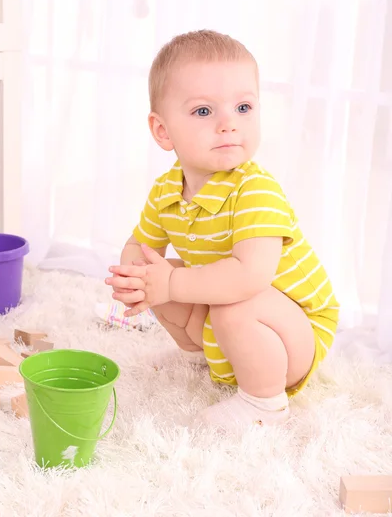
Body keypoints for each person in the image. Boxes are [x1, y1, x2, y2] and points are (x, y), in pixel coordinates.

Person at [105, 30, 339, 430]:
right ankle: (204, 358)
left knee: (228, 299)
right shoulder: (166, 190)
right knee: (157, 271)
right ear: (163, 131)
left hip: (292, 335)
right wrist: (135, 277)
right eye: (203, 112)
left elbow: (251, 276)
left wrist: (173, 284)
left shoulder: (255, 189)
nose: (229, 124)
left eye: (244, 107)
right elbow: (139, 245)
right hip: (230, 317)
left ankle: (265, 405)